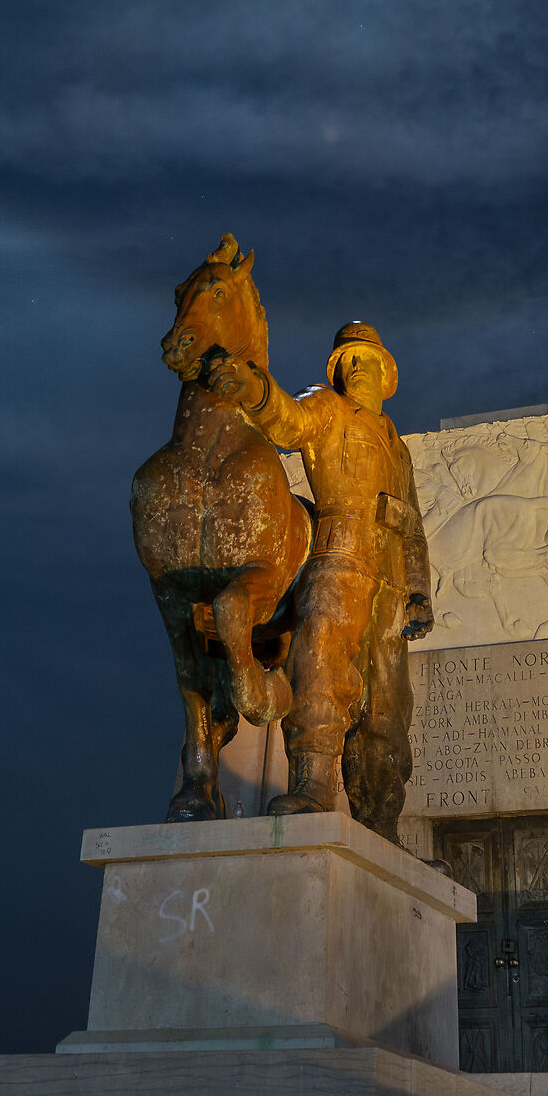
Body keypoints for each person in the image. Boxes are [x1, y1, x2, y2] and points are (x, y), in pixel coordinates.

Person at [200, 320, 432, 842]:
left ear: (386, 374)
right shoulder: (326, 406)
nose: (354, 368)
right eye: (346, 361)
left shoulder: (398, 446)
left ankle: (381, 825)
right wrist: (256, 388)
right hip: (339, 556)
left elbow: (413, 523)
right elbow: (288, 419)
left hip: (392, 580)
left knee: (386, 706)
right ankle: (312, 786)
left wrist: (420, 591)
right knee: (319, 663)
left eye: (364, 360)